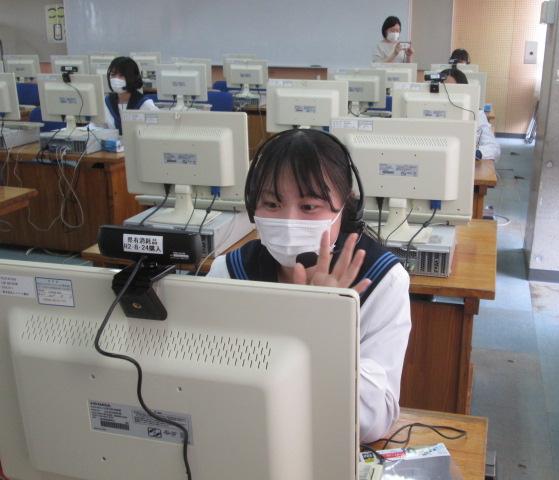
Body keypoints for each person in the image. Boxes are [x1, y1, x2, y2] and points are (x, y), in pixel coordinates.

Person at [206, 128, 411, 443]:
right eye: (271, 204)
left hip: (327, 446)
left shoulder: (381, 280)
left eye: (309, 207)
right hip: (246, 439)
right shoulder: (229, 273)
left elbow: (372, 422)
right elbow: (206, 389)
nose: (289, 220)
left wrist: (323, 328)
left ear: (345, 206)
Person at [440, 68, 500, 161]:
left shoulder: (476, 114)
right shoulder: (424, 113)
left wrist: (475, 154)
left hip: (463, 163)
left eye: (450, 90)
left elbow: (493, 148)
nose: (445, 94)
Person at [102, 56, 158, 135]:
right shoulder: (106, 102)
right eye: (113, 75)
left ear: (131, 78)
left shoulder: (145, 104)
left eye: (121, 75)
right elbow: (97, 128)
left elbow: (156, 130)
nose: (116, 79)